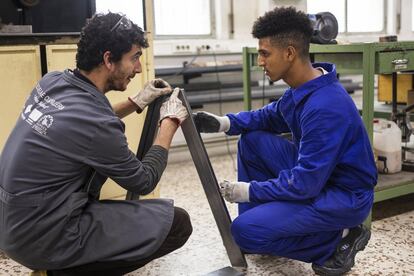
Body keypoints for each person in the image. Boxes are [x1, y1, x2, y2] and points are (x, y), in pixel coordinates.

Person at [0, 12, 191, 276]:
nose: (138, 68)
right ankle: (60, 272)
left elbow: (82, 126)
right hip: (42, 237)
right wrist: (169, 122)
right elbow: (144, 180)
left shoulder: (53, 81)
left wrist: (138, 100)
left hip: (14, 226)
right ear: (108, 60)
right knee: (178, 224)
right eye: (134, 57)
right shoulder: (95, 123)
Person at [194, 7, 377, 276]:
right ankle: (267, 224)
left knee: (244, 232)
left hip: (343, 196)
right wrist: (224, 123)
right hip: (320, 178)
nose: (260, 61)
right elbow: (268, 116)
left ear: (289, 53)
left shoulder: (325, 106)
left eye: (265, 53)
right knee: (252, 140)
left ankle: (339, 238)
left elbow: (304, 184)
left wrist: (249, 191)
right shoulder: (304, 89)